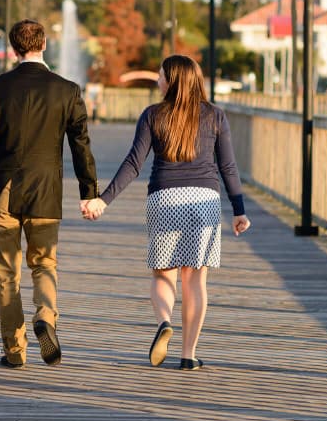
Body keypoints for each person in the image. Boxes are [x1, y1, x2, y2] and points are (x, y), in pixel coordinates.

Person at [83, 54, 250, 370]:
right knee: (195, 280)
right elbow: (227, 165)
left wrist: (103, 200)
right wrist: (239, 210)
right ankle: (188, 355)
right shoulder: (215, 116)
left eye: (161, 76)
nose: (158, 80)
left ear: (171, 81)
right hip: (204, 200)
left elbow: (134, 163)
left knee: (163, 273)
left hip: (165, 198)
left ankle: (163, 322)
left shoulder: (152, 115)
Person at [0, 19, 97, 368]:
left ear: (14, 48)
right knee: (44, 263)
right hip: (46, 191)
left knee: (6, 273)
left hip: (4, 191)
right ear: (44, 45)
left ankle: (15, 351)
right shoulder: (67, 90)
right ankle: (46, 316)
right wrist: (89, 192)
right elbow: (81, 147)